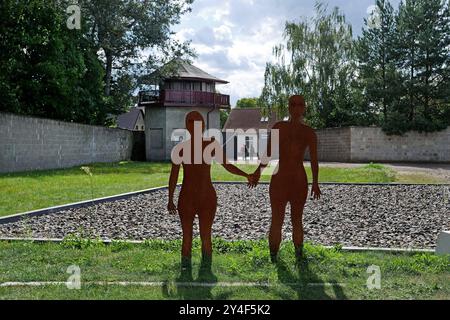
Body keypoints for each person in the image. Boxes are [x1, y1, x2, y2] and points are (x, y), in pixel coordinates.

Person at [168, 111, 255, 268]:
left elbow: (227, 165)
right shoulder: (180, 149)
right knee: (186, 236)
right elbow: (173, 176)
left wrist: (245, 174)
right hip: (187, 198)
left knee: (206, 236)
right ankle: (186, 269)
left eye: (198, 121)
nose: (194, 124)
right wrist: (170, 199)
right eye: (190, 121)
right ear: (186, 126)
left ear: (203, 126)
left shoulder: (210, 144)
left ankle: (205, 268)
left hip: (206, 197)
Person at [251, 95, 321, 262]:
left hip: (297, 180)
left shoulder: (308, 133)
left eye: (300, 104)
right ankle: (274, 258)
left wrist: (316, 183)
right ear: (289, 108)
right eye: (293, 104)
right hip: (282, 180)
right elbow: (267, 154)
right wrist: (258, 171)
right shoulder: (279, 127)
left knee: (297, 219)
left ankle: (297, 256)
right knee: (277, 219)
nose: (297, 108)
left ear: (304, 108)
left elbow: (314, 160)